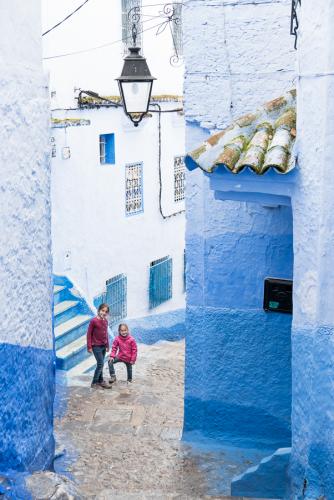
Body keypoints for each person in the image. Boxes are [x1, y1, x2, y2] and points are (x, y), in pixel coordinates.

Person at [87, 303, 112, 389]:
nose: (104, 313)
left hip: (103, 346)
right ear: (98, 310)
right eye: (102, 310)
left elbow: (106, 334)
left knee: (100, 363)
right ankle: (94, 382)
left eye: (106, 311)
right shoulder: (93, 321)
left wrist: (107, 345)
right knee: (101, 363)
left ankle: (101, 381)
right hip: (96, 346)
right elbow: (89, 334)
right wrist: (89, 346)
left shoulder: (105, 321)